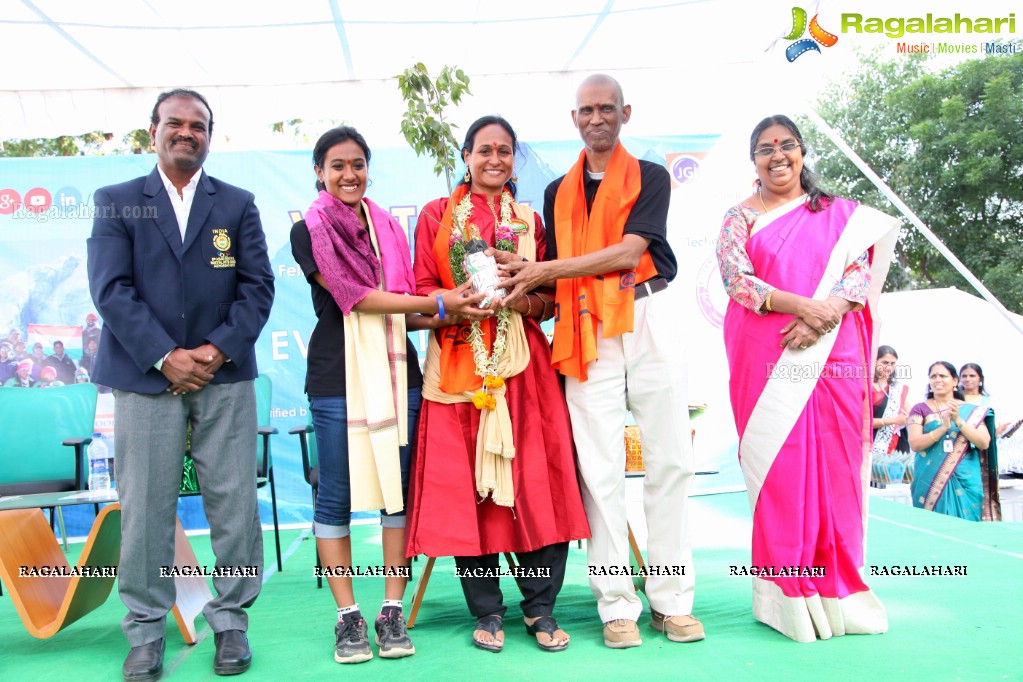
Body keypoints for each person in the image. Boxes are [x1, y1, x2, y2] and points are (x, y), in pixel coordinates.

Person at [496, 75, 699, 649]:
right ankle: (616, 606)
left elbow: (633, 251)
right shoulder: (558, 190)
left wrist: (542, 271)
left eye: (606, 108)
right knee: (600, 473)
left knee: (671, 463)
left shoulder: (651, 176)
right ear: (574, 118)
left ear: (625, 113)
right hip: (585, 330)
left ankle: (671, 601)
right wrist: (519, 281)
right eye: (587, 110)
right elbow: (553, 274)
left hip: (647, 315)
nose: (597, 118)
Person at [87, 88, 274, 680]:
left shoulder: (237, 204)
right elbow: (110, 289)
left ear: (210, 137)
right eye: (176, 123)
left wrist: (214, 352)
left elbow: (257, 288)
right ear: (153, 132)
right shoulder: (118, 202)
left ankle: (231, 625)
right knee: (144, 507)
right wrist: (165, 356)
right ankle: (145, 632)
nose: (186, 133)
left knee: (234, 503)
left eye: (198, 125)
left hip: (224, 378)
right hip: (146, 380)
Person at [290, 126, 490, 665]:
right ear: (319, 172)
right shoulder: (308, 229)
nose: (349, 174)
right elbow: (355, 297)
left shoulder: (386, 228)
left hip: (400, 373)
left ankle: (392, 610)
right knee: (333, 496)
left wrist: (455, 307)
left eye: (357, 163)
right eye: (337, 165)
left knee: (397, 495)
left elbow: (407, 307)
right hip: (337, 375)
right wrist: (440, 305)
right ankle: (348, 617)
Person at [407, 115, 590, 653]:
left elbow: (551, 301)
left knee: (540, 482)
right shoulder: (438, 217)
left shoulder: (531, 220)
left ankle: (540, 607)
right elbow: (420, 295)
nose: (494, 159)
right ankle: (486, 610)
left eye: (505, 151)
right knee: (472, 492)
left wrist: (521, 296)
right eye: (484, 149)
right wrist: (452, 303)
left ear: (514, 159)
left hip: (525, 369)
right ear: (466, 156)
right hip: (462, 366)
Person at [715, 114, 899, 642]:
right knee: (783, 469)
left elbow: (858, 272)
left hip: (833, 351)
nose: (778, 155)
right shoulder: (738, 218)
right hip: (766, 352)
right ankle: (787, 598)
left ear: (801, 152)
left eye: (787, 145)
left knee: (836, 465)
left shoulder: (840, 216)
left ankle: (840, 593)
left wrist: (827, 313)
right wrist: (803, 308)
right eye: (765, 148)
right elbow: (737, 280)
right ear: (753, 161)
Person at [907, 361, 1000, 521]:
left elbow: (984, 443)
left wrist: (958, 420)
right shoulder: (920, 409)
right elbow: (915, 444)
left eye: (943, 376)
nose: (937, 380)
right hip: (929, 481)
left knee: (967, 529)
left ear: (955, 381)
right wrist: (942, 428)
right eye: (933, 376)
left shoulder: (971, 411)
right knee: (932, 526)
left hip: (966, 479)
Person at [870, 345, 910, 486]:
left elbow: (910, 414)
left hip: (893, 444)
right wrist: (893, 420)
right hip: (870, 444)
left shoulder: (897, 388)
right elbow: (862, 421)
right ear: (874, 361)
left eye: (892, 363)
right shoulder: (866, 386)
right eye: (885, 362)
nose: (888, 367)